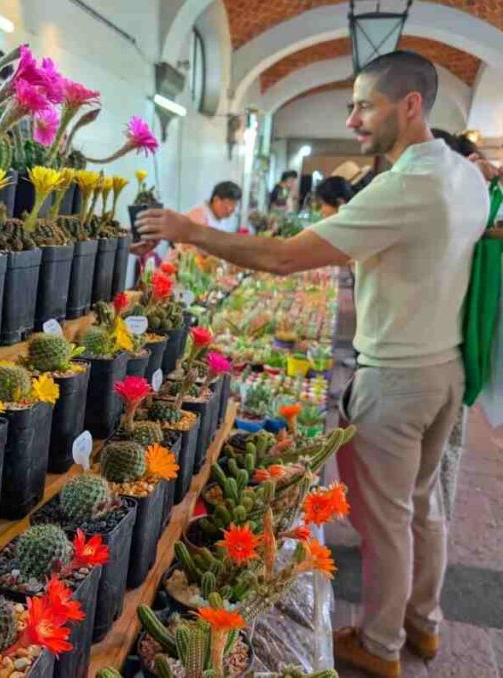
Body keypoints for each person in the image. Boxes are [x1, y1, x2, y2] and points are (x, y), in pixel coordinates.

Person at [133, 51, 488, 678]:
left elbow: (283, 259)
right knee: (426, 505)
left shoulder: (406, 184)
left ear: (410, 105)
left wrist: (190, 232)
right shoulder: (466, 175)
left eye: (364, 105)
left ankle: (380, 648)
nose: (352, 118)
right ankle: (424, 627)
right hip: (447, 367)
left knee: (388, 522)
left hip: (399, 377)